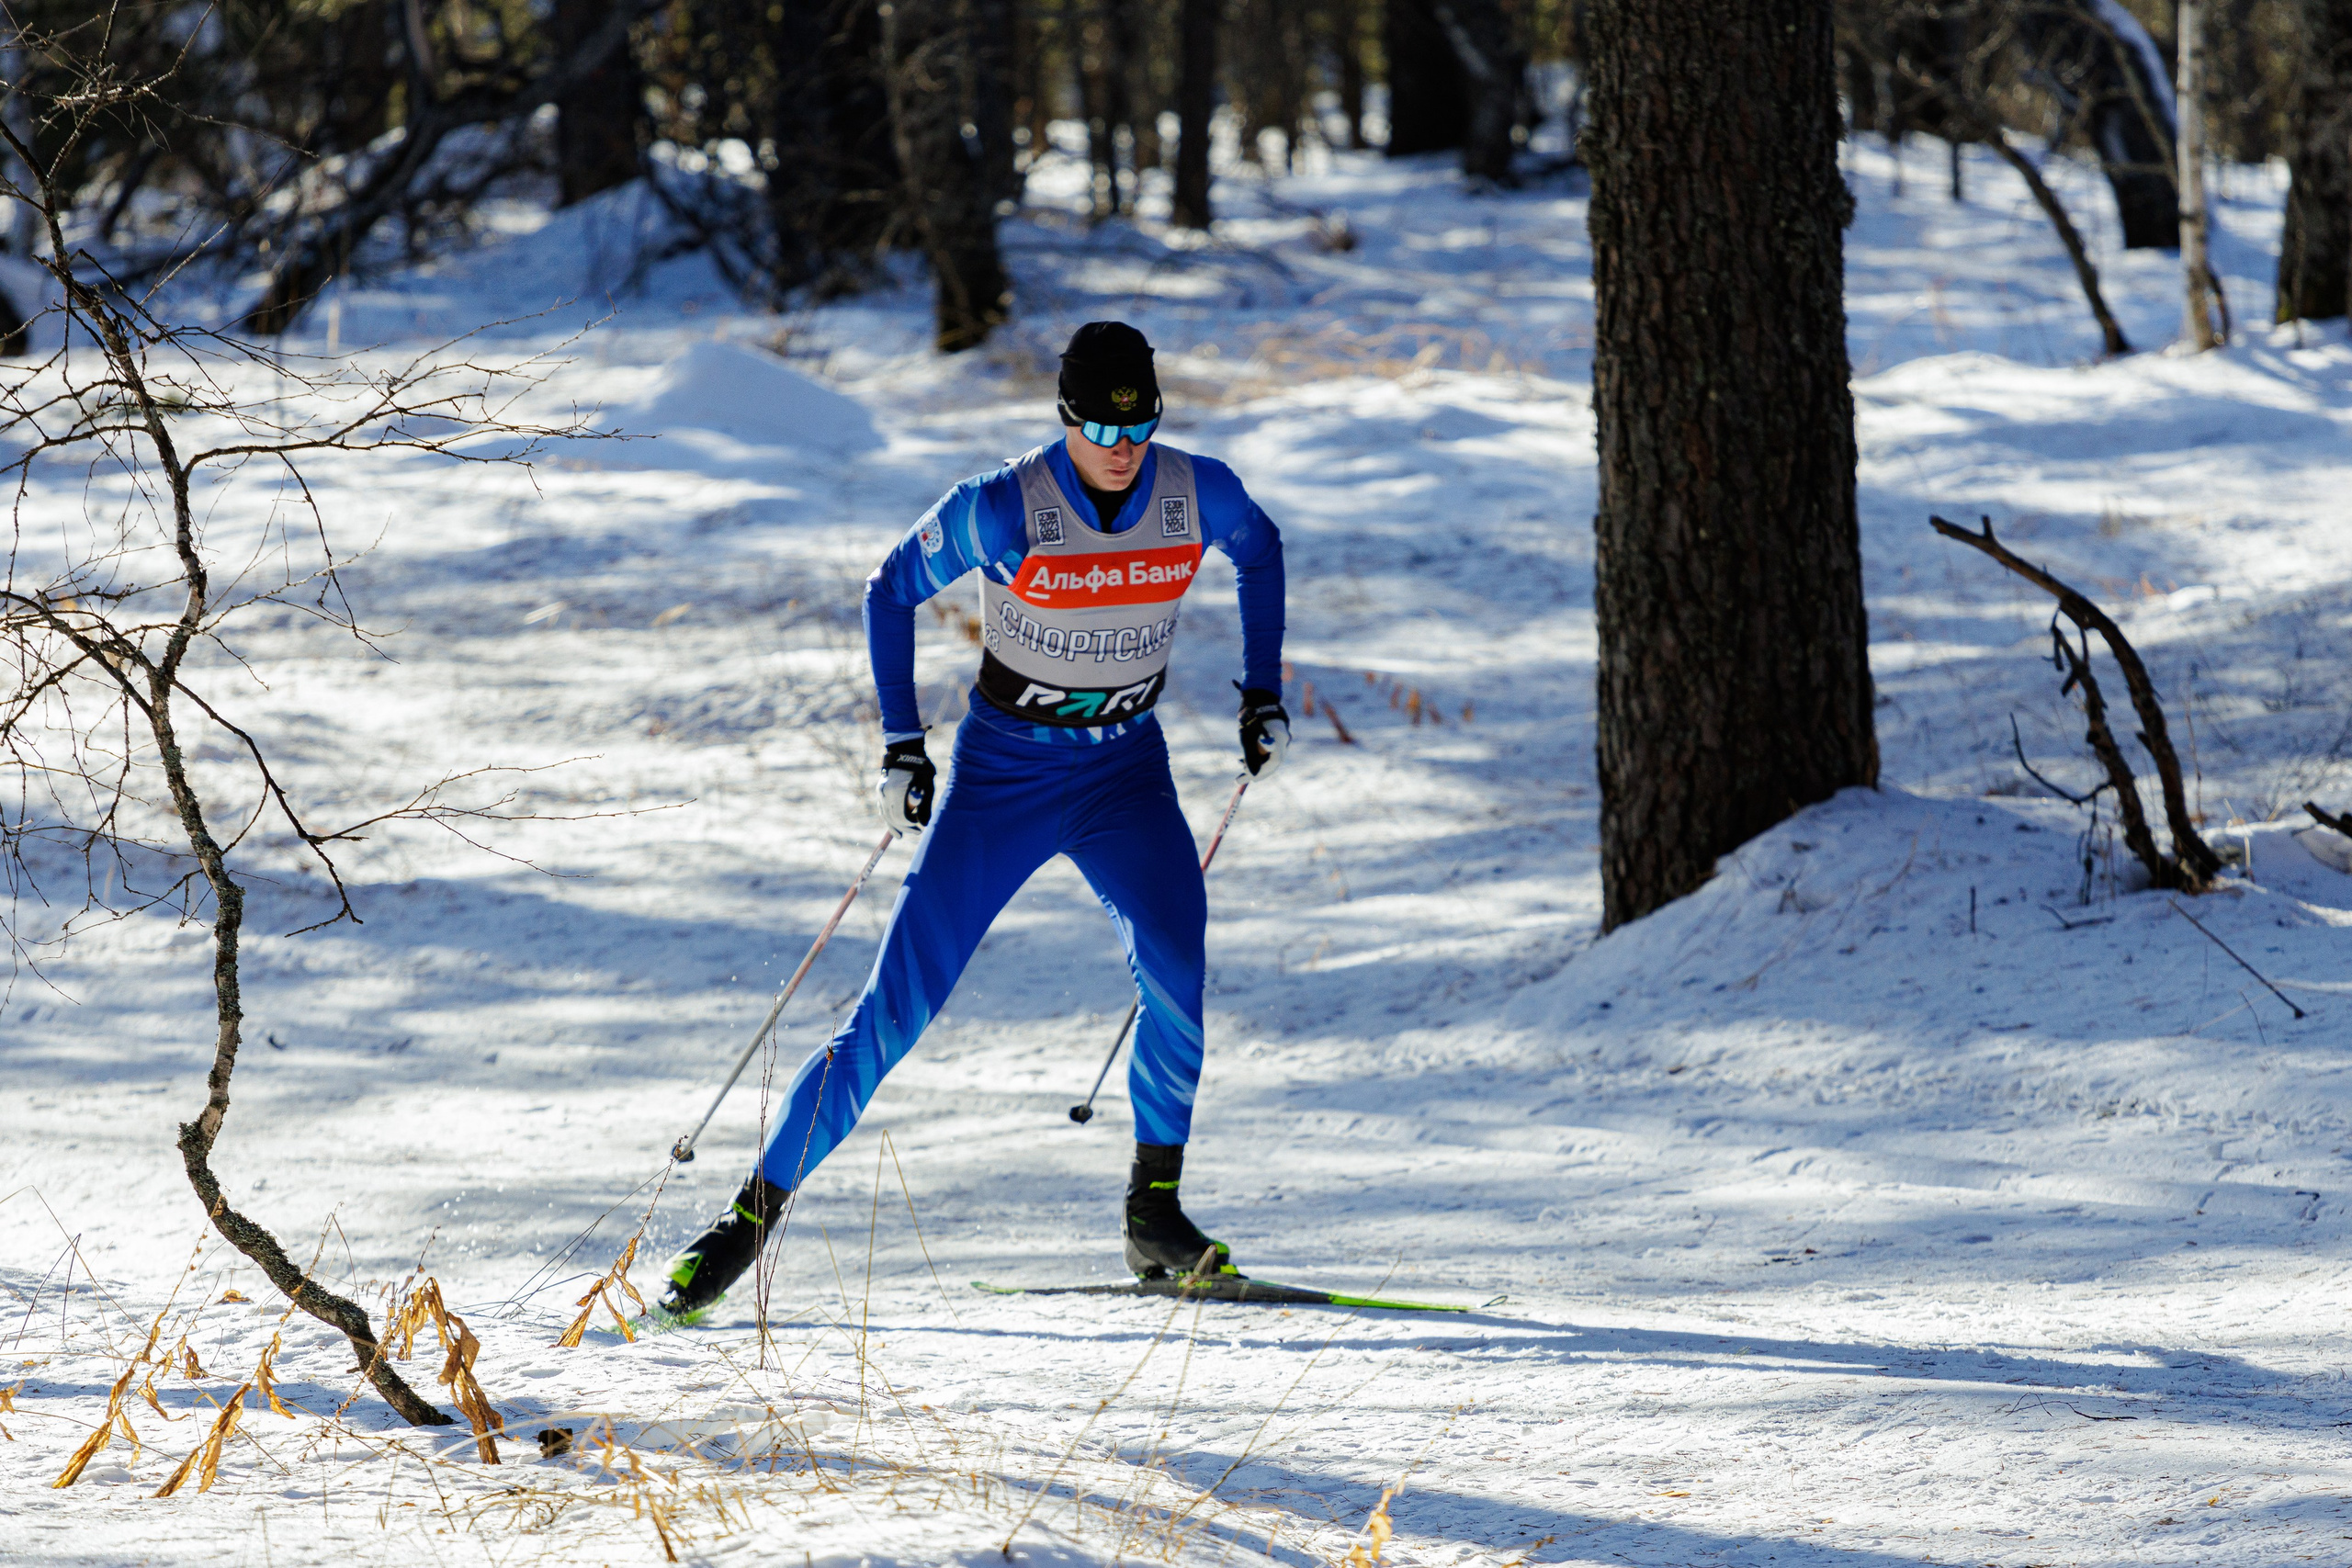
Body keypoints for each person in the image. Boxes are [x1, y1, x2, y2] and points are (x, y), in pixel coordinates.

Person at [658, 321, 1289, 1320]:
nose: (1121, 447)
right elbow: (889, 589)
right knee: (894, 1010)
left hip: (1127, 769)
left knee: (1177, 970)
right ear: (1065, 416)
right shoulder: (1000, 507)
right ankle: (743, 1225)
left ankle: (1154, 1212)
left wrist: (1261, 691)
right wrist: (901, 745)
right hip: (1007, 775)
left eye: (1139, 424)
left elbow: (1261, 551)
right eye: (1097, 425)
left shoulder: (1197, 490)